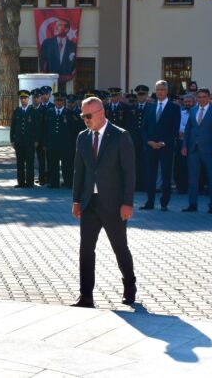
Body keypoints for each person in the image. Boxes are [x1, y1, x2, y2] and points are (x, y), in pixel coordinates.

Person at [70, 96, 136, 308]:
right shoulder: (82, 137)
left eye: (88, 116)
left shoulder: (120, 136)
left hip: (114, 204)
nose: (85, 120)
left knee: (119, 247)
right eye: (83, 116)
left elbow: (129, 173)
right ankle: (86, 295)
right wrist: (76, 200)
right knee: (86, 249)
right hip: (90, 202)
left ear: (101, 113)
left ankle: (129, 286)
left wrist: (127, 203)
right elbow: (78, 171)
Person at [140, 80, 180, 211]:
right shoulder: (150, 107)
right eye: (157, 89)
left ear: (167, 91)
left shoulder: (174, 108)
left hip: (166, 146)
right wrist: (149, 141)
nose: (159, 92)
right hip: (151, 146)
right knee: (150, 174)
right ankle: (150, 202)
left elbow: (174, 129)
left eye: (162, 89)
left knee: (166, 174)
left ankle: (164, 202)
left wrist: (164, 142)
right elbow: (144, 128)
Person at [181, 88, 212, 213]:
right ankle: (192, 204)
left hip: (209, 150)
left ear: (209, 98)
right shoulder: (193, 110)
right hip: (193, 149)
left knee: (211, 177)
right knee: (192, 178)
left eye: (204, 97)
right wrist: (184, 146)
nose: (201, 99)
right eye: (199, 97)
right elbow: (188, 129)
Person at [10, 90, 40, 188]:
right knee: (20, 163)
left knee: (29, 162)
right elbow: (13, 127)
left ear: (28, 99)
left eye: (25, 98)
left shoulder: (33, 111)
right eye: (21, 98)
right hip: (19, 142)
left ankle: (30, 182)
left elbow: (36, 127)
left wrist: (36, 140)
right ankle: (21, 182)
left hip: (29, 142)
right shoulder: (16, 111)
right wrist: (12, 140)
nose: (23, 100)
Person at [43, 92, 72, 188]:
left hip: (65, 144)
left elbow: (72, 129)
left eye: (61, 101)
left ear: (63, 102)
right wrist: (45, 143)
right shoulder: (49, 112)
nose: (59, 103)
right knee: (52, 163)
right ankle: (54, 182)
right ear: (54, 101)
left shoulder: (69, 113)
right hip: (52, 143)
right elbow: (45, 128)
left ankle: (68, 182)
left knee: (66, 164)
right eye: (57, 100)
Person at [39, 19, 77, 85]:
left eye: (59, 25)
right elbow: (42, 61)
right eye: (55, 25)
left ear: (66, 29)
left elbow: (74, 64)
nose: (55, 28)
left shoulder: (72, 45)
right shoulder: (47, 43)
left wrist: (71, 75)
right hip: (50, 81)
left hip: (66, 81)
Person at [130, 85, 149, 192]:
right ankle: (136, 185)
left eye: (143, 94)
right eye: (139, 95)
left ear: (147, 95)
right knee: (135, 163)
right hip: (135, 140)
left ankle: (145, 185)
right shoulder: (132, 108)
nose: (141, 97)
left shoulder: (151, 107)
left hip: (146, 140)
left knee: (146, 163)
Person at [175, 94, 194, 195]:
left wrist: (186, 132)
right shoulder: (181, 113)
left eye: (189, 101)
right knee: (182, 165)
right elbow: (179, 127)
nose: (188, 103)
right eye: (186, 102)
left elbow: (195, 128)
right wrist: (188, 131)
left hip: (194, 143)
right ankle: (182, 187)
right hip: (182, 143)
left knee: (193, 166)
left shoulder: (197, 113)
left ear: (193, 102)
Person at [35, 86, 52, 185]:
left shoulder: (53, 107)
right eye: (43, 94)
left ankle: (49, 178)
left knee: (50, 160)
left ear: (49, 95)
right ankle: (41, 178)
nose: (44, 96)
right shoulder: (38, 108)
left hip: (50, 139)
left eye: (46, 94)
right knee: (41, 160)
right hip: (40, 139)